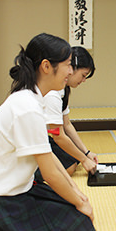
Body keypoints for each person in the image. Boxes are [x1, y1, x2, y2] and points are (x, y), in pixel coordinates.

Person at [0, 33, 95, 231]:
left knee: (72, 210)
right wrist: (81, 204)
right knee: (78, 226)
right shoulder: (27, 107)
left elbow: (49, 157)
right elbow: (50, 174)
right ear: (46, 66)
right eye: (67, 66)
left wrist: (76, 193)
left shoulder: (34, 98)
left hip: (14, 190)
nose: (71, 72)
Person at [43, 46, 98, 176]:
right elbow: (58, 136)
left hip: (43, 136)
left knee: (72, 160)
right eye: (83, 75)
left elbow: (66, 125)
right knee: (69, 167)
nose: (83, 80)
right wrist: (84, 159)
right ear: (71, 68)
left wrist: (86, 153)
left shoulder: (63, 88)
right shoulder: (53, 93)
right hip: (29, 140)